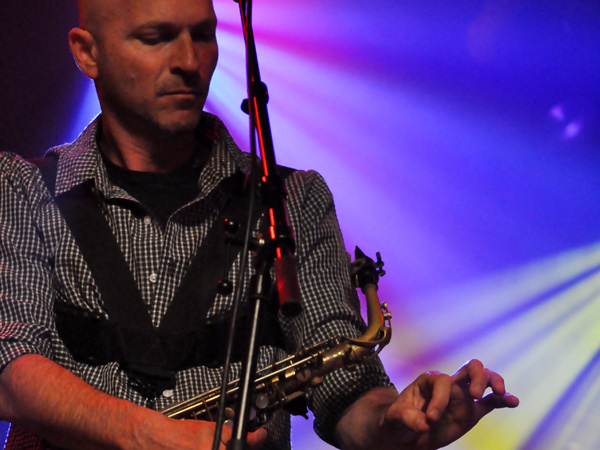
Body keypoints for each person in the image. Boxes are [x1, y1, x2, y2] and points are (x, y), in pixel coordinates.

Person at [0, 0, 519, 449]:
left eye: (203, 36)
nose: (187, 62)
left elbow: (346, 394)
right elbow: (10, 371)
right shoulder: (21, 188)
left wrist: (398, 424)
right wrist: (150, 436)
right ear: (87, 52)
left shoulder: (295, 199)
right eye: (155, 38)